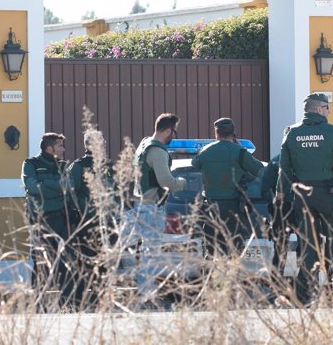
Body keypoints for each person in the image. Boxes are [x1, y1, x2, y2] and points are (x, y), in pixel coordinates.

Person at [276, 93, 333, 306]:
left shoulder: (291, 133)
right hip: (328, 196)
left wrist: (281, 196)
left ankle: (305, 296)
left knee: (307, 247)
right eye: (327, 108)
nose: (329, 112)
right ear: (319, 109)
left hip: (302, 197)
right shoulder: (331, 133)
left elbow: (284, 169)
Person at [124, 113, 186, 305]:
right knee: (150, 255)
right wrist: (182, 183)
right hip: (152, 208)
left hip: (138, 205)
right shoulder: (158, 151)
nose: (174, 136)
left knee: (132, 251)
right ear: (168, 130)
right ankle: (146, 296)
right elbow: (166, 181)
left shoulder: (143, 145)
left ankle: (136, 292)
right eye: (174, 132)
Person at [192, 117, 264, 257]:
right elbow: (260, 170)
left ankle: (215, 276)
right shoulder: (239, 152)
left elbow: (195, 164)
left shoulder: (205, 151)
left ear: (216, 133)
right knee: (235, 249)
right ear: (233, 133)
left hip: (211, 207)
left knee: (212, 251)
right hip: (233, 208)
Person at [65, 129, 115, 310]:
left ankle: (102, 299)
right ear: (88, 145)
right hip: (86, 222)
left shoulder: (107, 165)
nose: (102, 145)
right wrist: (82, 213)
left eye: (103, 142)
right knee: (86, 262)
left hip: (107, 222)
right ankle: (83, 301)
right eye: (99, 142)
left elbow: (114, 191)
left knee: (105, 262)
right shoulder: (78, 166)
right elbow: (70, 193)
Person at [21, 132, 69, 310]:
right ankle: (38, 305)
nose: (63, 149)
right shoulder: (30, 164)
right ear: (50, 147)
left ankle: (64, 304)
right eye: (60, 146)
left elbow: (66, 187)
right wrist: (54, 186)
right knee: (41, 262)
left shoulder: (63, 165)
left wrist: (46, 184)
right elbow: (31, 187)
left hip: (59, 218)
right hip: (38, 220)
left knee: (63, 262)